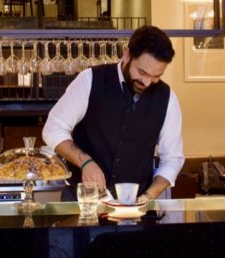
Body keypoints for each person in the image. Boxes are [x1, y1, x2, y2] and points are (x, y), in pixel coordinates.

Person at [42, 25, 184, 204]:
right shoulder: (90, 80)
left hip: (135, 209)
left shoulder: (168, 99)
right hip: (82, 204)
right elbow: (53, 128)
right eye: (141, 72)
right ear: (127, 55)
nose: (147, 82)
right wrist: (85, 162)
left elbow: (172, 159)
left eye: (156, 76)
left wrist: (148, 197)